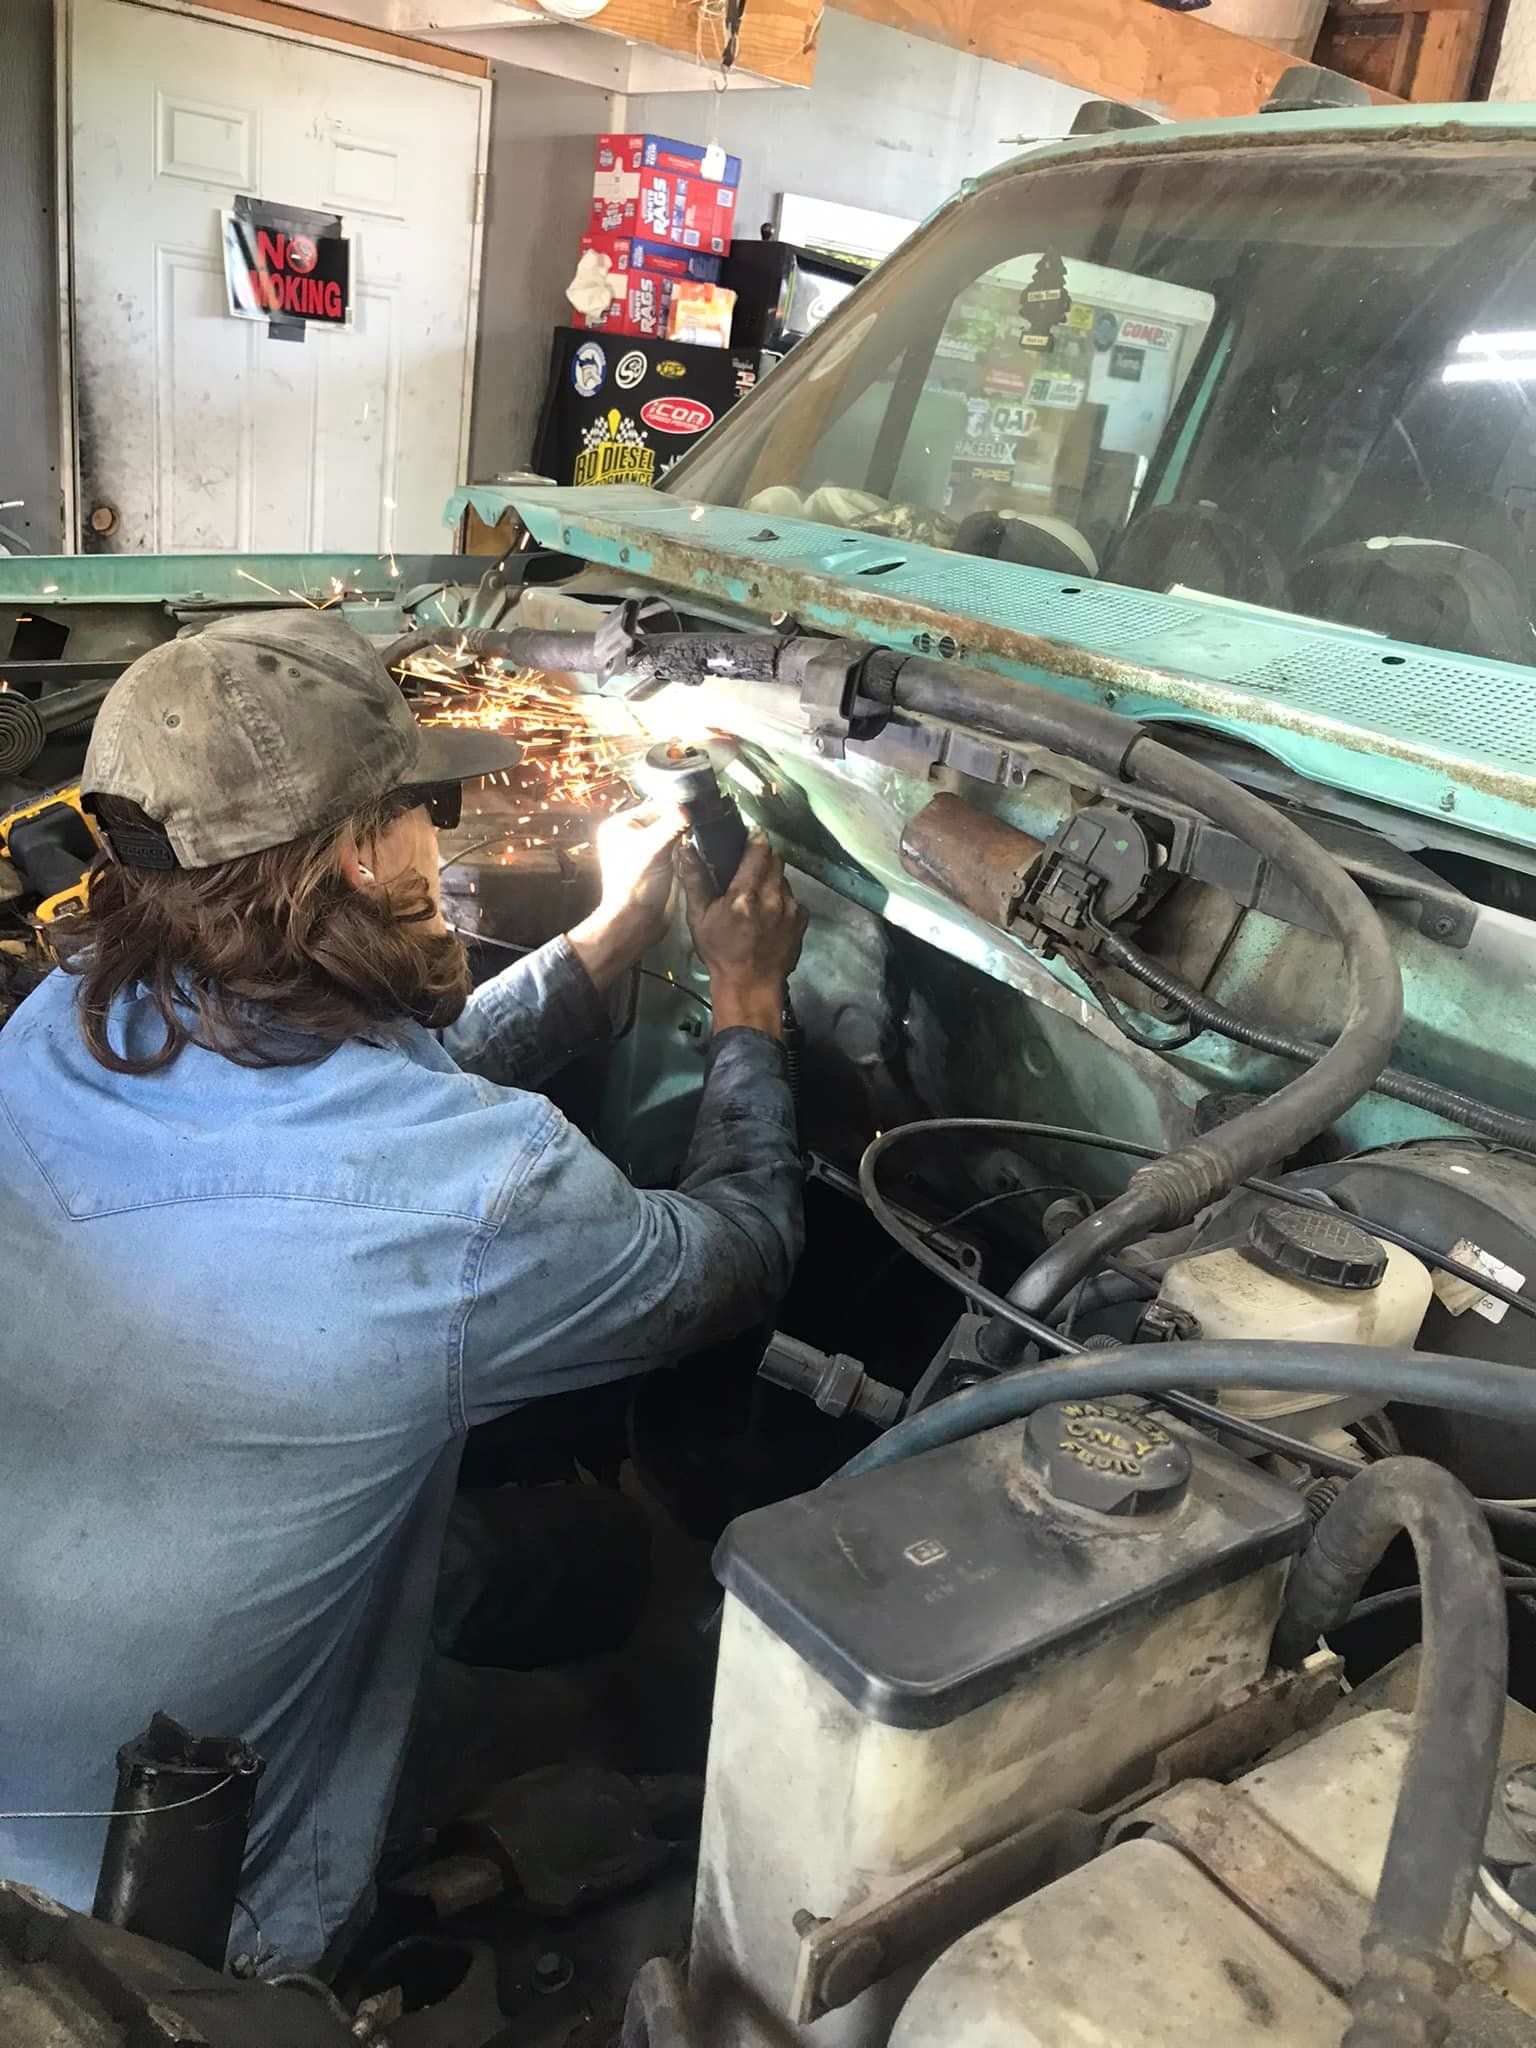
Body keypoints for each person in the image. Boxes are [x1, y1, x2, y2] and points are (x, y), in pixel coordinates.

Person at [0, 609, 805, 1970]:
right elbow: (738, 1254)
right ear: (363, 854)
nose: (442, 842)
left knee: (564, 1560)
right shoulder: (474, 1198)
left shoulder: (64, 1032)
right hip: (169, 1920)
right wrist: (747, 1000)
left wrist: (604, 948)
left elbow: (349, 1140)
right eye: (425, 810)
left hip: (35, 1716)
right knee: (627, 1567)